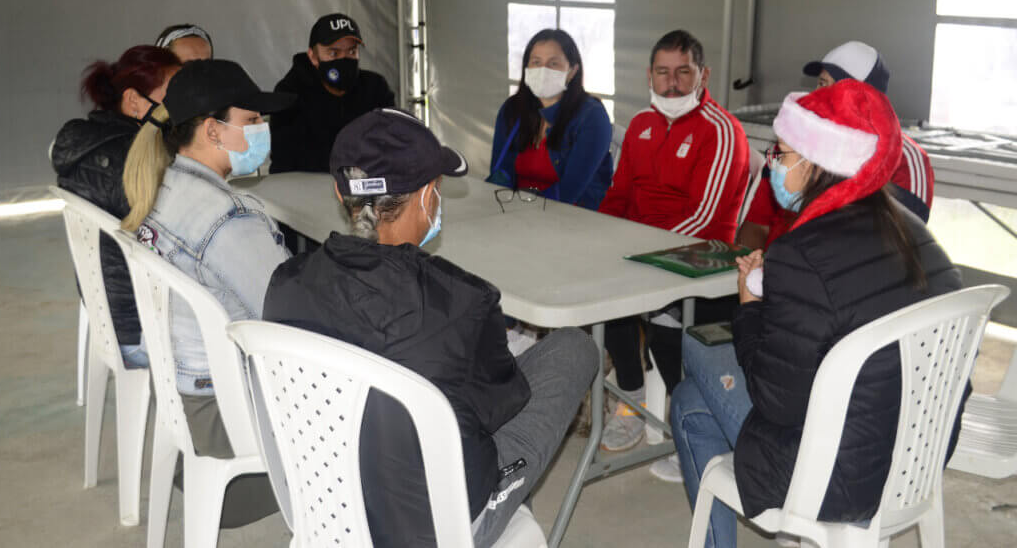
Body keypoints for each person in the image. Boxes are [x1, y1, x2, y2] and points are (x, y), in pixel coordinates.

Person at [263, 108, 598, 548]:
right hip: (437, 523)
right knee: (574, 347)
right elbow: (502, 409)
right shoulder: (463, 301)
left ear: (340, 194)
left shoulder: (286, 283)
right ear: (427, 195)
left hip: (324, 498)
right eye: (438, 190)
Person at [671, 80, 963, 548]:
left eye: (781, 153)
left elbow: (775, 401)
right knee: (690, 403)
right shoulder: (915, 233)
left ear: (817, 162)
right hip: (916, 457)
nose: (773, 165)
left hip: (836, 478)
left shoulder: (799, 252)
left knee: (695, 346)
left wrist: (751, 307)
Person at [121, 59, 295, 527]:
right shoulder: (228, 218)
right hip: (225, 418)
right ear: (214, 132)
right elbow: (290, 313)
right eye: (252, 120)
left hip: (184, 401)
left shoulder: (163, 185)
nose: (262, 129)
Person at [596, 30, 750, 470]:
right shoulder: (642, 125)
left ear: (703, 75)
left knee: (662, 326)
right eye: (662, 73)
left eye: (684, 72)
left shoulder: (722, 131)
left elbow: (707, 219)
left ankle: (696, 424)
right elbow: (618, 195)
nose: (672, 84)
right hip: (644, 256)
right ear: (649, 75)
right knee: (595, 292)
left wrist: (639, 258)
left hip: (701, 263)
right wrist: (599, 238)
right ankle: (632, 392)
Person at [52, 45, 182, 367]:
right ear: (134, 101)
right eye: (174, 96)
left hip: (110, 318)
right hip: (143, 330)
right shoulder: (137, 159)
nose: (184, 105)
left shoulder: (88, 142)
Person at [738, 40, 935, 251]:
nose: (823, 95)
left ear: (869, 99)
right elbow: (757, 225)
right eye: (822, 83)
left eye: (839, 87)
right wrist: (755, 268)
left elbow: (898, 250)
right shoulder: (791, 144)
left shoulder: (907, 162)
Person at [487, 28, 612, 209]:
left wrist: (522, 208)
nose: (543, 70)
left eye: (553, 64)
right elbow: (500, 174)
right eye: (536, 62)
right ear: (526, 69)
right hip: (516, 213)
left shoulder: (592, 117)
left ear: (572, 71)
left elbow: (569, 192)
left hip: (573, 218)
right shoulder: (512, 109)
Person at [269, 13, 395, 173]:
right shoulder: (290, 93)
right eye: (334, 53)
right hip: (305, 190)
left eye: (351, 51)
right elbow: (285, 160)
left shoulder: (375, 87)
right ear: (313, 56)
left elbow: (391, 145)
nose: (344, 59)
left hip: (366, 187)